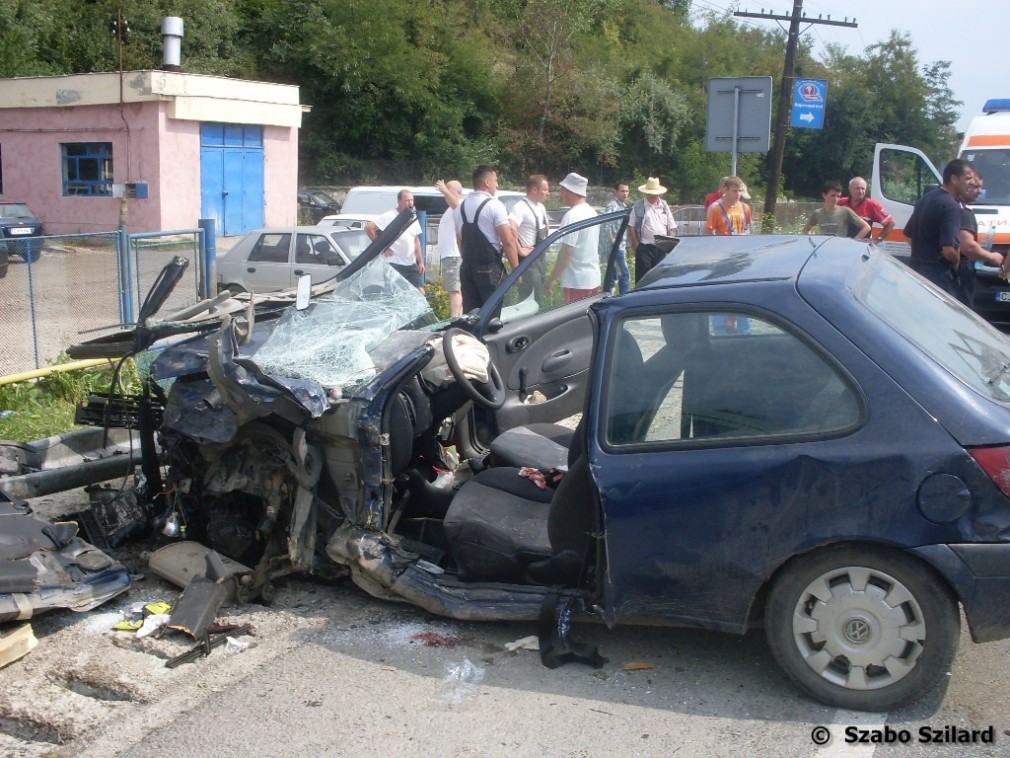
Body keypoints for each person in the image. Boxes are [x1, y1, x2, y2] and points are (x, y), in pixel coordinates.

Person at [904, 158, 976, 301]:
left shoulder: (926, 198)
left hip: (917, 271)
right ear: (954, 179)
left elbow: (908, 236)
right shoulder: (951, 206)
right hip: (939, 279)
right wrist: (956, 264)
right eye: (967, 178)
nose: (971, 183)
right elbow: (949, 250)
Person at [455, 165, 520, 313]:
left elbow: (460, 240)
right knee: (494, 316)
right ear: (486, 182)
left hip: (467, 270)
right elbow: (508, 241)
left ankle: (471, 336)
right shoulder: (494, 206)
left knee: (472, 315)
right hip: (489, 270)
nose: (497, 184)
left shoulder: (460, 208)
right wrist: (517, 269)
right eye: (495, 180)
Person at [545, 173, 600, 303]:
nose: (561, 195)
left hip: (577, 282)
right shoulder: (592, 213)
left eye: (562, 191)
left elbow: (567, 252)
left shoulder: (572, 216)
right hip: (593, 279)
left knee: (576, 321)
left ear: (571, 191)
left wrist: (551, 279)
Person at [955, 168, 1005, 306]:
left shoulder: (949, 205)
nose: (979, 191)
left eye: (981, 187)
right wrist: (992, 257)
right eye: (975, 186)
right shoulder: (964, 211)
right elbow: (968, 247)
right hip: (962, 272)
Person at [364, 189, 425, 293]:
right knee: (395, 294)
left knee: (420, 292)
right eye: (407, 200)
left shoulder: (413, 217)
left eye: (412, 200)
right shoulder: (389, 216)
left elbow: (416, 242)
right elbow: (369, 228)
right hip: (393, 264)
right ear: (399, 201)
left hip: (410, 263)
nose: (410, 203)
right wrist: (382, 248)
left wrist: (421, 262)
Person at [508, 174, 551, 304]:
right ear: (534, 190)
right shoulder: (520, 207)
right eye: (545, 190)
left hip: (541, 259)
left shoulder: (541, 207)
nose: (547, 193)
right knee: (532, 300)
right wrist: (520, 250)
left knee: (540, 296)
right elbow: (511, 228)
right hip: (529, 262)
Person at [628, 177, 677, 283]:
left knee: (659, 278)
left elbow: (671, 225)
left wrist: (669, 243)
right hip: (645, 247)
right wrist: (636, 244)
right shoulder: (638, 206)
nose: (654, 196)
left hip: (661, 247)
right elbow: (631, 226)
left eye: (656, 194)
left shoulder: (664, 205)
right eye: (651, 193)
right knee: (643, 279)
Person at [802, 180, 870, 239]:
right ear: (824, 195)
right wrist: (813, 241)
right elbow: (806, 229)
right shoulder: (817, 213)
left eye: (838, 196)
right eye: (833, 195)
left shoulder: (845, 211)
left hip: (840, 248)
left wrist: (854, 241)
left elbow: (866, 227)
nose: (835, 199)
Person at [436, 179, 464, 316]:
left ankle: (455, 319)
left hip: (453, 255)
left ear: (458, 193)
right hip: (449, 256)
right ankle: (458, 317)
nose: (444, 193)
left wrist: (444, 191)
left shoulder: (459, 205)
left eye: (448, 190)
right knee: (455, 290)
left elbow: (456, 205)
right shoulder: (450, 209)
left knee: (455, 290)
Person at [839, 176, 895, 243]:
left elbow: (891, 223)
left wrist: (877, 239)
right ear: (849, 189)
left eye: (863, 189)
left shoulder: (872, 205)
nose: (860, 191)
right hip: (841, 244)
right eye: (857, 188)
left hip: (861, 246)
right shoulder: (841, 202)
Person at [601, 181, 631, 295]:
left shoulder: (622, 206)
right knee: (624, 275)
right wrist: (612, 239)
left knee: (613, 277)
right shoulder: (613, 205)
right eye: (622, 191)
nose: (625, 194)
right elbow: (605, 224)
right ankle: (626, 300)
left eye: (627, 191)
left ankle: (608, 298)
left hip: (620, 246)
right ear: (616, 192)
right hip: (615, 248)